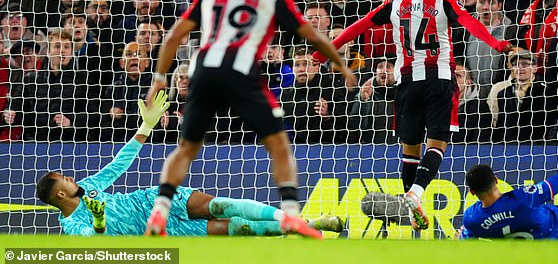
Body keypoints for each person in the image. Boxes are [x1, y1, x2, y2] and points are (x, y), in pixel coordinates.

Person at [144, 0, 356, 238]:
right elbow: (313, 36)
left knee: (187, 148)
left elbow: (173, 36)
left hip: (203, 69)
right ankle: (292, 215)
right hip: (242, 71)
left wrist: (158, 78)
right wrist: (342, 65)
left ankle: (160, 211)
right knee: (279, 143)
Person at [313, 0, 512, 231]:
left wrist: (325, 51)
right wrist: (496, 44)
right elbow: (472, 24)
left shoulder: (396, 3)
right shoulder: (445, 2)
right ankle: (415, 194)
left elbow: (358, 26)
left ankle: (411, 208)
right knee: (437, 144)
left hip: (406, 82)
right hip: (439, 80)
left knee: (410, 149)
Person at [36, 92, 343, 236]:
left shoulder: (88, 187)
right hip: (157, 235)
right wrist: (99, 221)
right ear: (59, 195)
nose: (70, 177)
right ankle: (314, 226)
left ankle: (296, 219)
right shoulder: (71, 226)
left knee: (224, 205)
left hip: (151, 203)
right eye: (64, 178)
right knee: (240, 228)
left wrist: (146, 127)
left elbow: (117, 166)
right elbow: (93, 241)